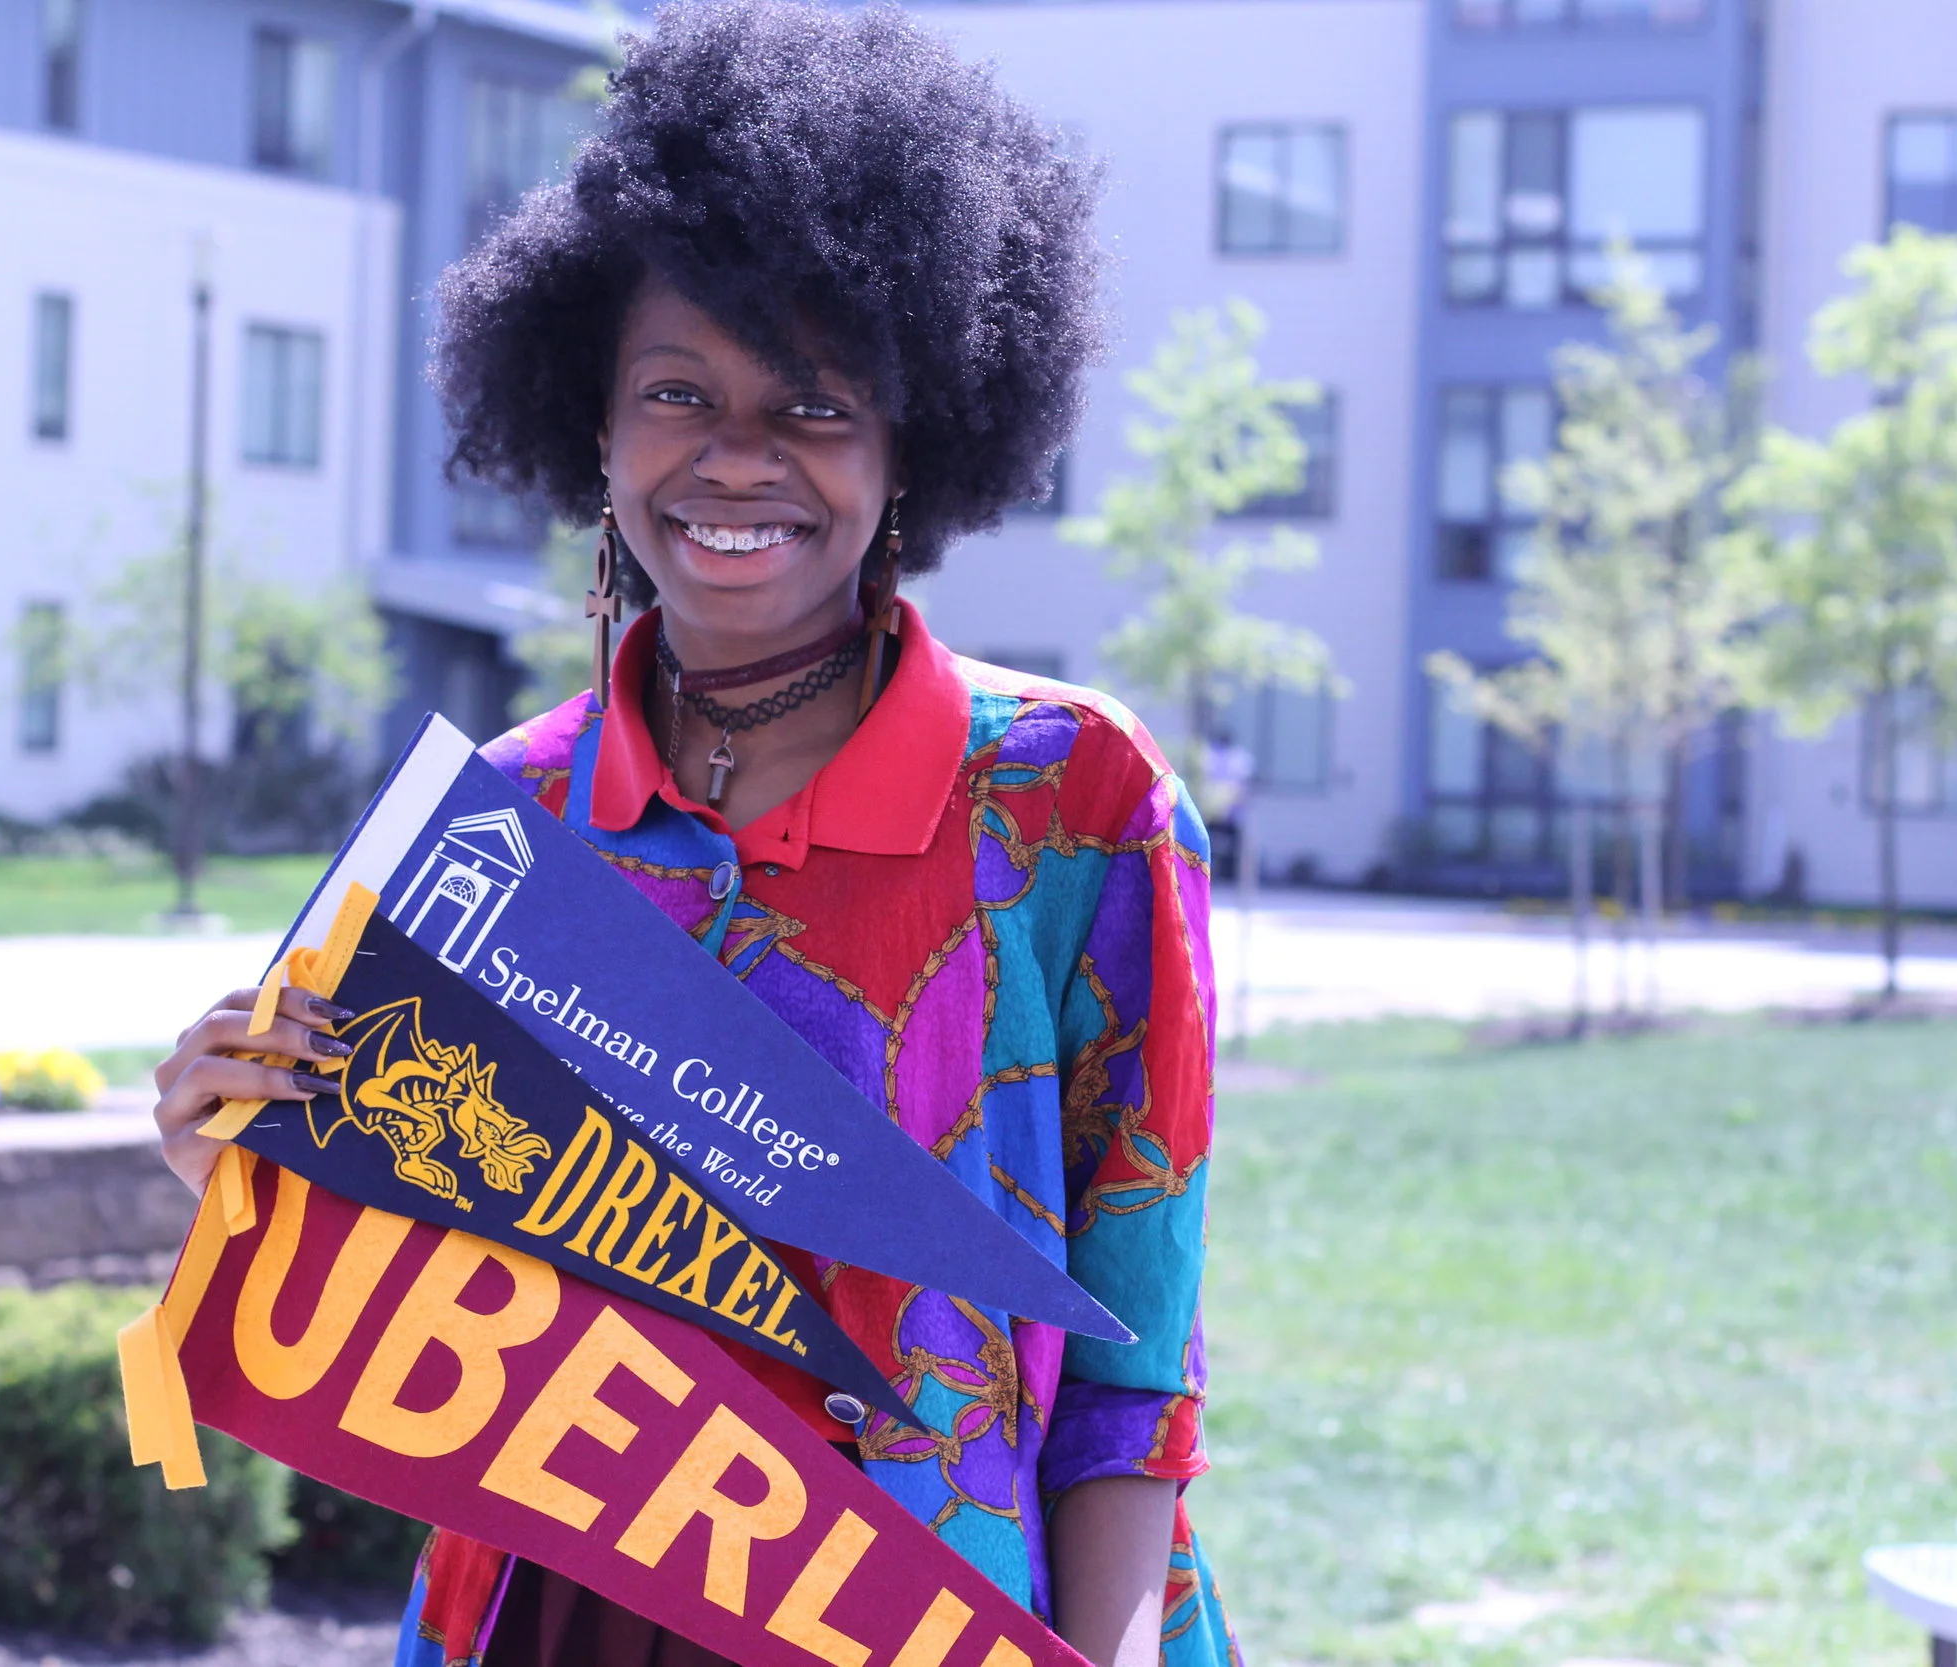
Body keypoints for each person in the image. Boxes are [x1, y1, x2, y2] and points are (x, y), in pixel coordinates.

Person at [148, 5, 1235, 1664]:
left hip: (937, 1617)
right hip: (549, 1612)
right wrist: (241, 1157)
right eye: (677, 392)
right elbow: (423, 1300)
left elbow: (1132, 1369)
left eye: (813, 405)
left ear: (911, 440)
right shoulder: (495, 820)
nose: (736, 458)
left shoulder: (1070, 800)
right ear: (593, 424)